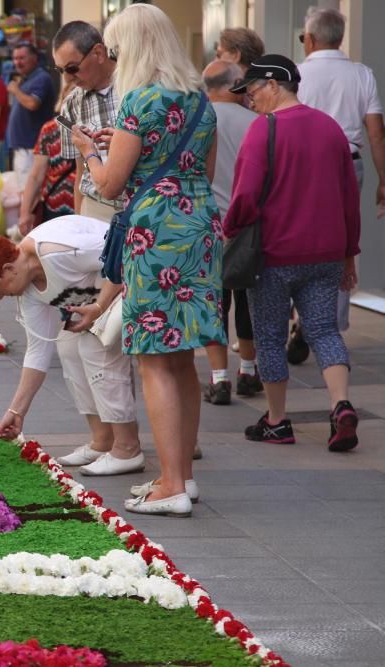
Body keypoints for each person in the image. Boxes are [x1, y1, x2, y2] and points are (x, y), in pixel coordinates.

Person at [68, 4, 225, 517]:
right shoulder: (200, 100)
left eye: (115, 48)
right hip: (198, 225)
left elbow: (111, 186)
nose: (112, 56)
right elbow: (199, 169)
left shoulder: (138, 100)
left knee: (153, 359)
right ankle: (184, 477)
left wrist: (89, 150)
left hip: (155, 232)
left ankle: (171, 485)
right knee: (182, 360)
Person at [224, 55, 361, 452]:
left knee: (269, 335)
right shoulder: (330, 128)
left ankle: (277, 421)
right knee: (322, 329)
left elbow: (245, 195)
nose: (250, 100)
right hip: (326, 253)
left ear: (272, 84)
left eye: (251, 91)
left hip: (273, 254)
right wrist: (349, 254)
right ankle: (341, 405)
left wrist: (231, 230)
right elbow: (348, 198)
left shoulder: (262, 131)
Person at [0, 220, 144, 477]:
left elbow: (125, 254)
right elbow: (37, 351)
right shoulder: (28, 290)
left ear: (8, 269)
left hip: (140, 277)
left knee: (94, 346)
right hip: (100, 299)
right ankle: (102, 440)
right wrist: (16, 412)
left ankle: (127, 449)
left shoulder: (60, 252)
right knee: (68, 347)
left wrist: (100, 307)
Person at [297, 6, 385, 348]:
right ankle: (331, 324)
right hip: (349, 164)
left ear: (312, 39)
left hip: (304, 165)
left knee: (299, 238)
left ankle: (301, 315)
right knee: (342, 241)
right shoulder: (362, 74)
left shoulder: (298, 74)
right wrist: (383, 181)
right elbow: (376, 133)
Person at [199, 59, 261, 406]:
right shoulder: (257, 122)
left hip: (209, 225)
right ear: (234, 83)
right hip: (249, 226)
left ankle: (219, 377)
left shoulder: (198, 121)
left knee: (214, 303)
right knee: (248, 300)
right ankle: (248, 370)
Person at [51, 21, 122, 225]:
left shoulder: (136, 86)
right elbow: (80, 171)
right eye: (60, 70)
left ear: (98, 53)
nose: (67, 79)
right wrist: (80, 223)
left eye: (72, 68)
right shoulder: (71, 104)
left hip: (142, 205)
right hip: (95, 208)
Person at [18, 84, 77, 234]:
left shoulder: (97, 127)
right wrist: (25, 213)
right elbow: (36, 175)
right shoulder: (50, 129)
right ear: (63, 99)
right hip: (55, 206)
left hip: (85, 206)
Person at [6, 42, 57, 188]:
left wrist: (16, 90)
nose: (17, 62)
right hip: (23, 148)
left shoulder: (41, 78)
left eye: (22, 58)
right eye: (15, 58)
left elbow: (32, 104)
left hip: (31, 148)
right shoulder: (26, 79)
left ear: (34, 58)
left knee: (28, 193)